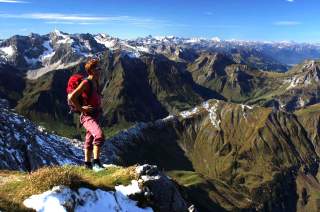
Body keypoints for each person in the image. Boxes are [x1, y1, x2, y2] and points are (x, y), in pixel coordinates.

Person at [68, 59, 105, 172]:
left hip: (95, 115)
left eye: (100, 68)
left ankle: (87, 165)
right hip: (87, 116)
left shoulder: (96, 82)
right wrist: (81, 108)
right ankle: (96, 163)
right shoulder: (86, 83)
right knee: (99, 136)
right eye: (97, 68)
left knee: (89, 141)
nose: (100, 70)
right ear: (91, 70)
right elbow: (71, 97)